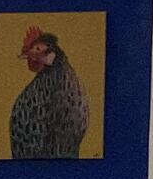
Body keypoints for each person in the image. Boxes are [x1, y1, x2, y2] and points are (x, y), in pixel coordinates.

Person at [7, 22, 91, 158]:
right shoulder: (30, 100)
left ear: (52, 54)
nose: (32, 53)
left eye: (38, 49)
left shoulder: (72, 96)